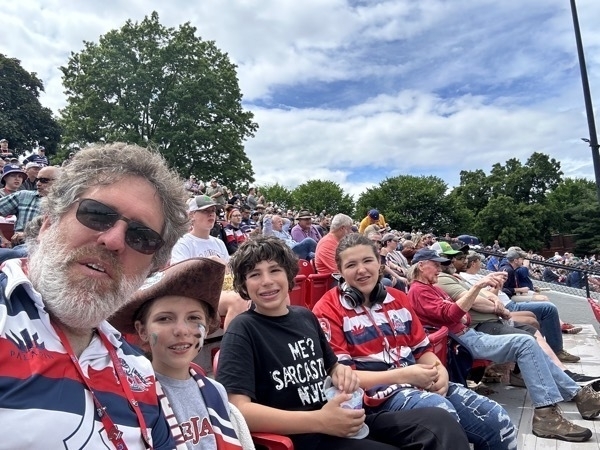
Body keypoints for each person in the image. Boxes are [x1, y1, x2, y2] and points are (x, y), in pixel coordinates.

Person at [0, 142, 190, 449]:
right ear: (49, 223)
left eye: (141, 236)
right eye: (97, 214)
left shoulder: (140, 371)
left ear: (151, 269)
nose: (114, 240)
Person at [217, 236, 470, 450]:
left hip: (342, 420)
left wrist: (341, 372)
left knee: (439, 423)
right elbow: (238, 410)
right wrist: (319, 421)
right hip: (305, 436)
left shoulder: (304, 317)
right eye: (254, 275)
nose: (267, 281)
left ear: (289, 274)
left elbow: (333, 367)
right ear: (243, 285)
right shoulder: (243, 330)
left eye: (274, 270)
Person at [312, 233, 516, 450]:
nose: (361, 269)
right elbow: (345, 378)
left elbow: (423, 350)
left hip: (418, 385)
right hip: (375, 401)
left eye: (367, 261)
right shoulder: (326, 309)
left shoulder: (398, 298)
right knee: (443, 418)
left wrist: (441, 373)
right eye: (351, 264)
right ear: (340, 270)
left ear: (379, 263)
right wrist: (406, 374)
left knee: (499, 422)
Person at [407, 248, 600, 443]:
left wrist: (478, 295)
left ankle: (575, 396)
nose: (440, 268)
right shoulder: (418, 290)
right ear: (421, 266)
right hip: (460, 342)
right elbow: (452, 314)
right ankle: (547, 414)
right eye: (436, 264)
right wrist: (477, 287)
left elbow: (462, 315)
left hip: (466, 335)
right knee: (525, 342)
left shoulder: (432, 287)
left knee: (527, 342)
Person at [111, 257, 254, 449]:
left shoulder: (216, 392)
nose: (181, 330)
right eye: (164, 319)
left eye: (193, 317)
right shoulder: (132, 399)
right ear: (142, 330)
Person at [0, 165, 60, 254]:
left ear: (60, 182)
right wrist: (2, 238)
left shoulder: (69, 203)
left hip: (50, 251)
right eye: (37, 180)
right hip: (22, 247)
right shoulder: (24, 196)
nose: (38, 184)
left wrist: (27, 234)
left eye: (44, 181)